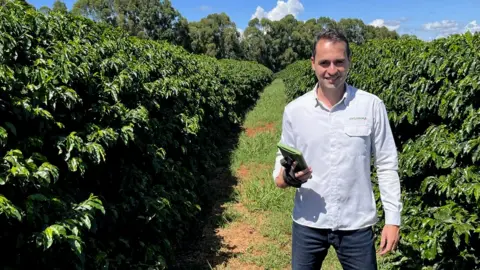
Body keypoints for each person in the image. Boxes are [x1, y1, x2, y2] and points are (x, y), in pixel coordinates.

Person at [272, 28, 402, 270]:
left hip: (356, 224)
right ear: (313, 64)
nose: (332, 70)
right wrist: (288, 177)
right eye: (324, 62)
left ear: (349, 62)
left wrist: (393, 220)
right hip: (308, 223)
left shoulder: (371, 106)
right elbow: (279, 173)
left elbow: (386, 164)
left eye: (339, 62)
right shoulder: (295, 111)